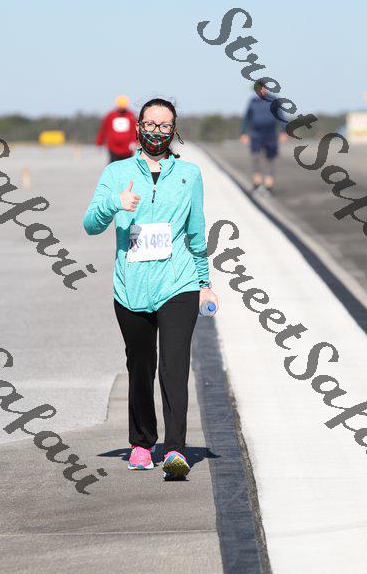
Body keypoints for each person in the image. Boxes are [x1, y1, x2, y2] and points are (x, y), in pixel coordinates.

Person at [83, 97, 219, 480]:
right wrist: (115, 203)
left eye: (164, 125)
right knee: (140, 366)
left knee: (174, 366)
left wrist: (204, 283)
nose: (157, 131)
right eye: (150, 124)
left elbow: (196, 233)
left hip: (178, 284)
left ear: (173, 130)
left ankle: (175, 450)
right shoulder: (117, 173)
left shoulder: (189, 174)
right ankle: (142, 442)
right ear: (139, 126)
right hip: (131, 288)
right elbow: (90, 224)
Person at [240, 81, 288, 193]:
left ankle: (268, 187)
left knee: (270, 159)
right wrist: (243, 133)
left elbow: (281, 116)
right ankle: (256, 184)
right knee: (255, 158)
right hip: (256, 134)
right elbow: (247, 118)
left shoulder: (273, 100)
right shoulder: (253, 102)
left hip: (270, 134)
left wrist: (283, 131)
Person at [95, 94, 138, 163]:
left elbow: (135, 130)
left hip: (127, 149)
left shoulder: (131, 115)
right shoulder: (110, 116)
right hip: (113, 148)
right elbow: (103, 130)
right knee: (113, 166)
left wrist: (134, 142)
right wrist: (99, 143)